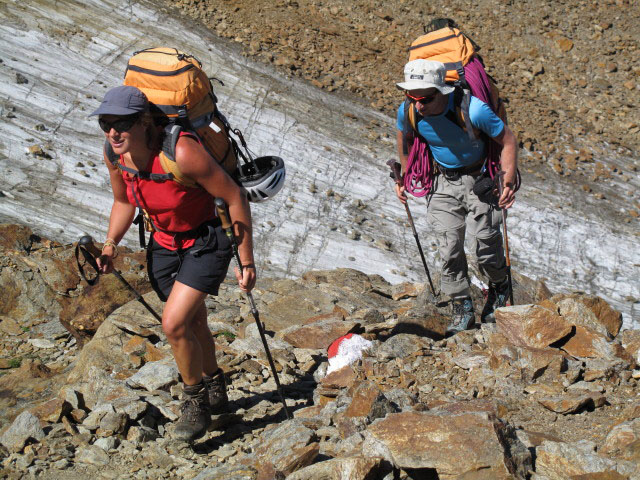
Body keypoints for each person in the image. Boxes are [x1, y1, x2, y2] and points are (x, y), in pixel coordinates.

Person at [90, 85, 256, 441]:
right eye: (106, 123)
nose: (112, 132)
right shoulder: (114, 154)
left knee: (174, 323)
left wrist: (246, 261)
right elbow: (123, 202)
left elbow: (234, 196)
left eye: (122, 123)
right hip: (163, 245)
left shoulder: (181, 151)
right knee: (193, 322)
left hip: (206, 241)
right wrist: (109, 246)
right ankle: (216, 389)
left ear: (144, 121)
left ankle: (194, 401)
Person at [394, 59, 518, 335]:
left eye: (425, 98)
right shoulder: (409, 111)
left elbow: (508, 140)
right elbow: (405, 139)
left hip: (481, 179)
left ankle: (499, 285)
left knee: (486, 243)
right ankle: (461, 304)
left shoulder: (474, 110)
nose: (418, 105)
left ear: (442, 92)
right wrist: (403, 175)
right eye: (411, 97)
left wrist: (507, 178)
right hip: (442, 181)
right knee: (449, 246)